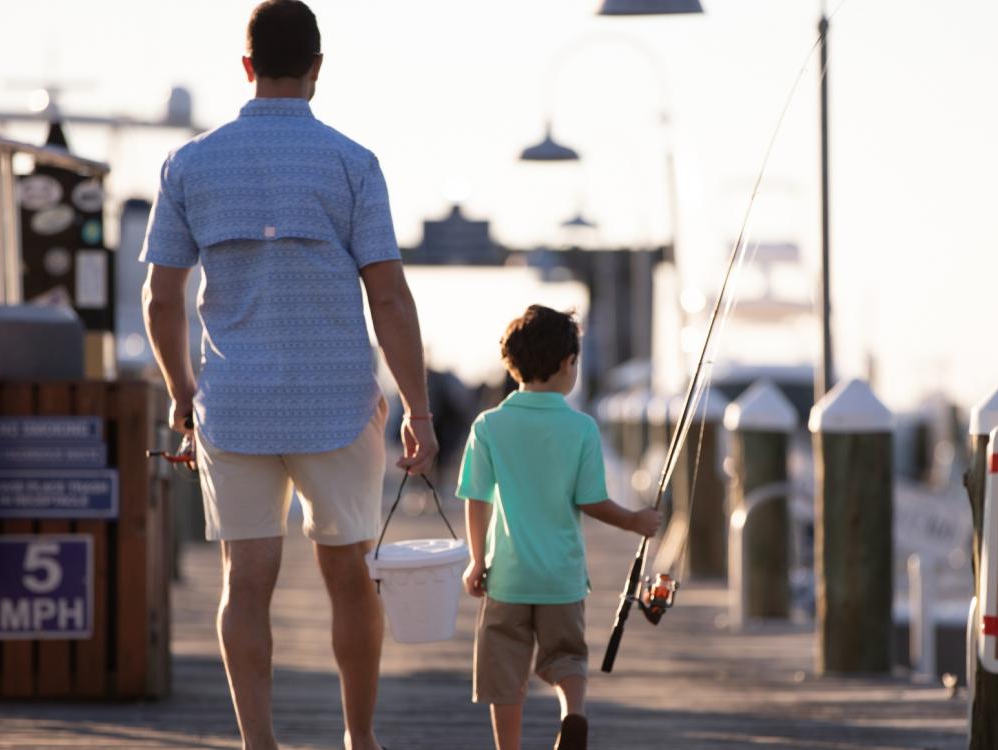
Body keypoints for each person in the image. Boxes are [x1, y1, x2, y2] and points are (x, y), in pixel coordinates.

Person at [140, 2, 436, 748]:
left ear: (246, 66)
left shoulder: (190, 163)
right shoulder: (351, 162)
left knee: (246, 581)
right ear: (317, 67)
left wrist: (182, 390)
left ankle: (259, 742)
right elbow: (389, 294)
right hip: (337, 403)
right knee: (348, 575)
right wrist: (420, 412)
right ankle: (358, 738)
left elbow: (161, 297)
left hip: (234, 406)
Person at [456, 305, 663, 750]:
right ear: (569, 363)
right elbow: (592, 501)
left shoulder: (489, 425)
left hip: (507, 576)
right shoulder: (581, 428)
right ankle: (573, 713)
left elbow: (477, 498)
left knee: (504, 673)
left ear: (511, 365)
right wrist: (634, 521)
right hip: (562, 577)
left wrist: (477, 559)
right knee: (568, 657)